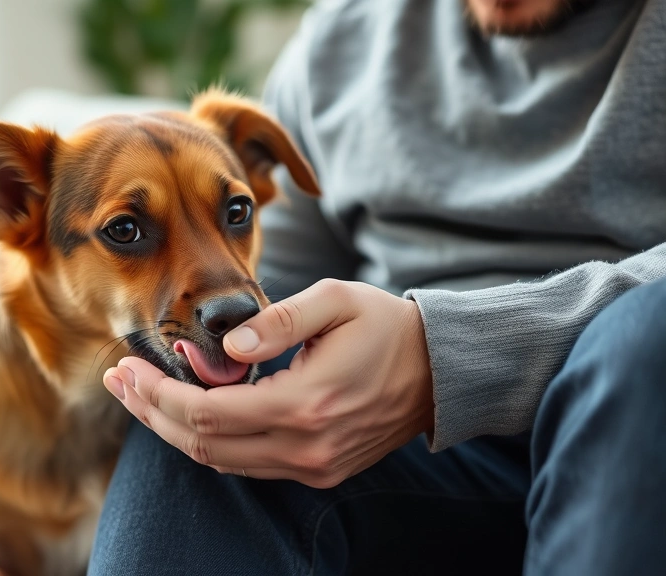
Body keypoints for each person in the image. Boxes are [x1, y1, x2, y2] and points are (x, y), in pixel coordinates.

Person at [88, 0, 666, 574]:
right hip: (415, 465)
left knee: (647, 335)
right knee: (204, 422)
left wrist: (441, 357)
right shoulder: (335, 49)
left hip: (635, 420)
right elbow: (266, 296)